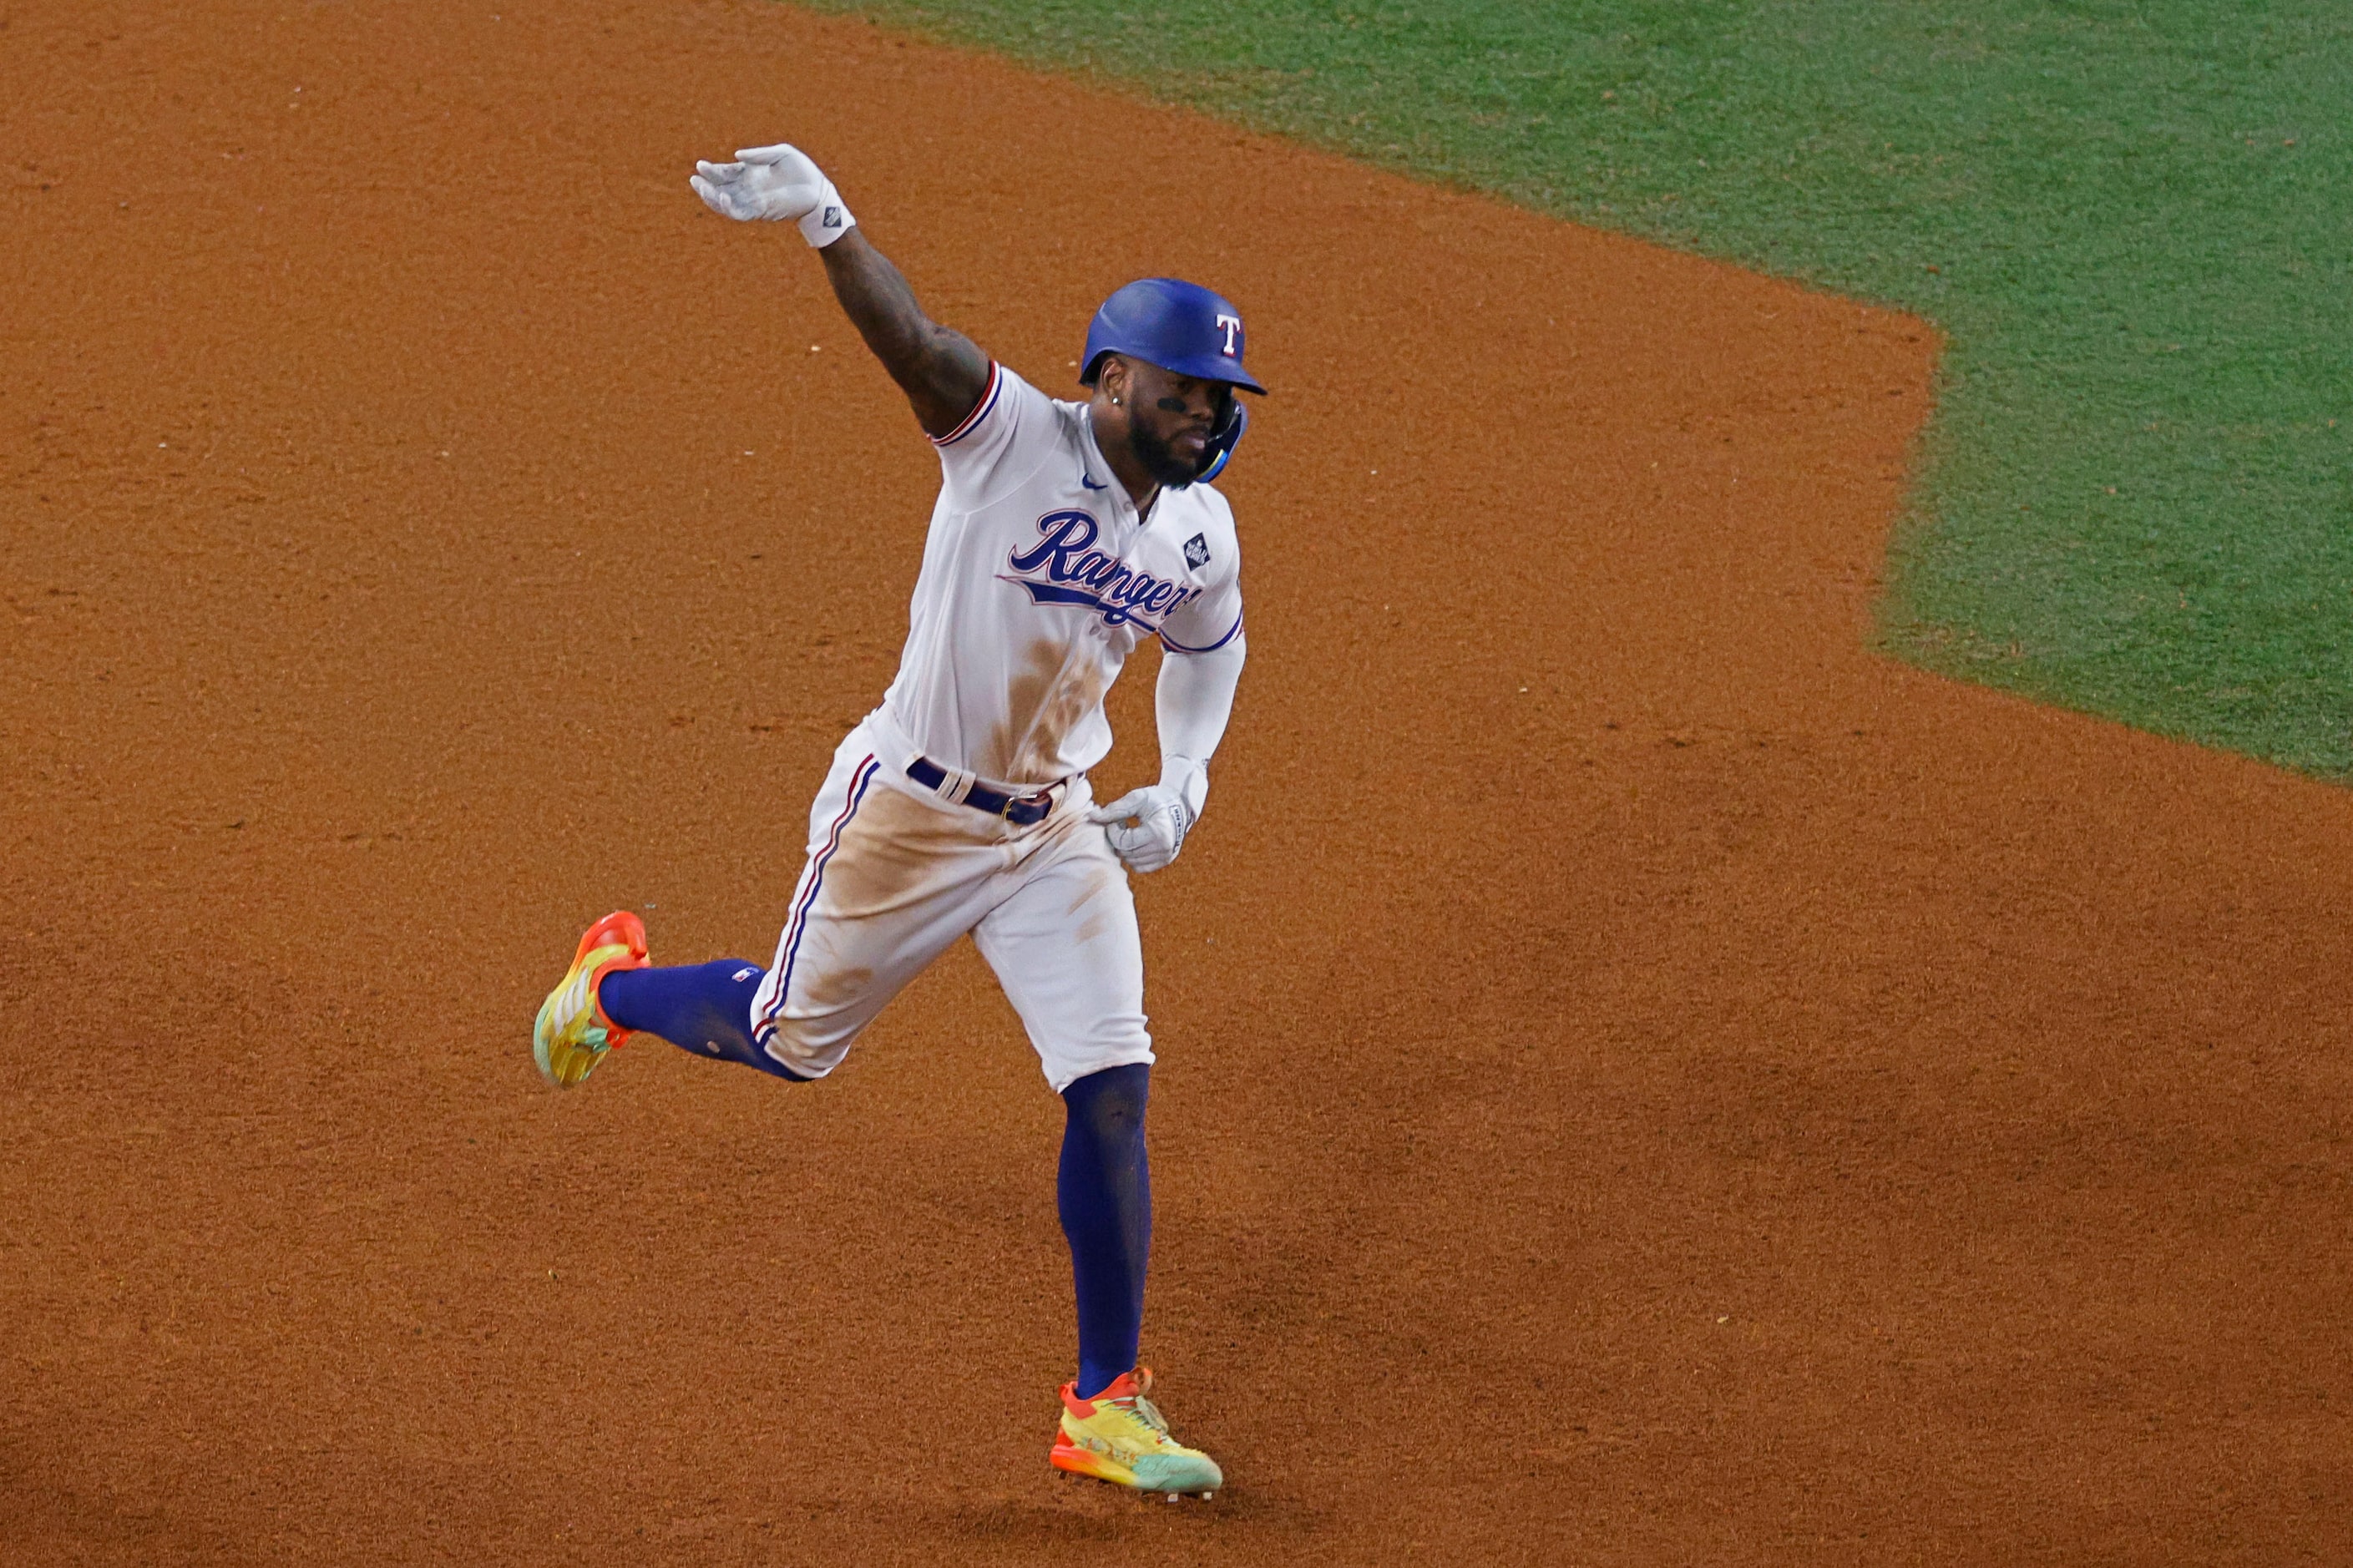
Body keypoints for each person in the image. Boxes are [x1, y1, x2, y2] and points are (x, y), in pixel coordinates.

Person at [529, 142, 1262, 1499]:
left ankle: (1103, 1400)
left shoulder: (1200, 533)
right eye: (1187, 389)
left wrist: (1186, 773)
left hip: (1053, 831)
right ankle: (611, 990)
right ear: (1111, 378)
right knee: (787, 1041)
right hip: (909, 817)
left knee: (1112, 1082)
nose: (1209, 415)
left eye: (1224, 398)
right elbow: (915, 342)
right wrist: (827, 220)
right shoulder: (1011, 441)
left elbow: (1210, 643)